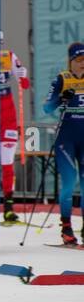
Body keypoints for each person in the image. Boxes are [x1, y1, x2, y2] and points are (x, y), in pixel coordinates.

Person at [43, 41, 84, 245]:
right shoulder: (62, 79)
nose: (82, 63)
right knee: (69, 181)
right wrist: (61, 99)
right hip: (66, 139)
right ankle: (66, 226)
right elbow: (47, 109)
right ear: (71, 61)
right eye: (78, 60)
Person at [0, 34, 31, 222]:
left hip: (7, 115)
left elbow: (24, 85)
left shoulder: (8, 57)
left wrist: (22, 75)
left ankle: (8, 207)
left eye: (0, 42)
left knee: (7, 162)